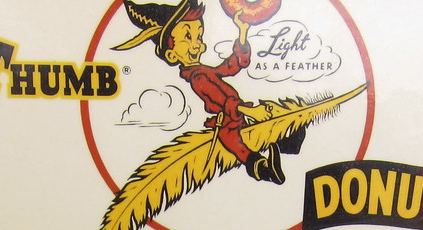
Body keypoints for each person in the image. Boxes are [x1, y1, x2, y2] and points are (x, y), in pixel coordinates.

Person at [115, 0, 297, 184]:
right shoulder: (198, 78)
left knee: (271, 115)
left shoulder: (205, 71)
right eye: (187, 37)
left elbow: (230, 67)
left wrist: (242, 32)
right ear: (171, 55)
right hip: (229, 120)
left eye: (199, 37)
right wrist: (249, 111)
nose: (197, 45)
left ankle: (287, 141)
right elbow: (222, 100)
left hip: (240, 112)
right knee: (235, 143)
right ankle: (264, 168)